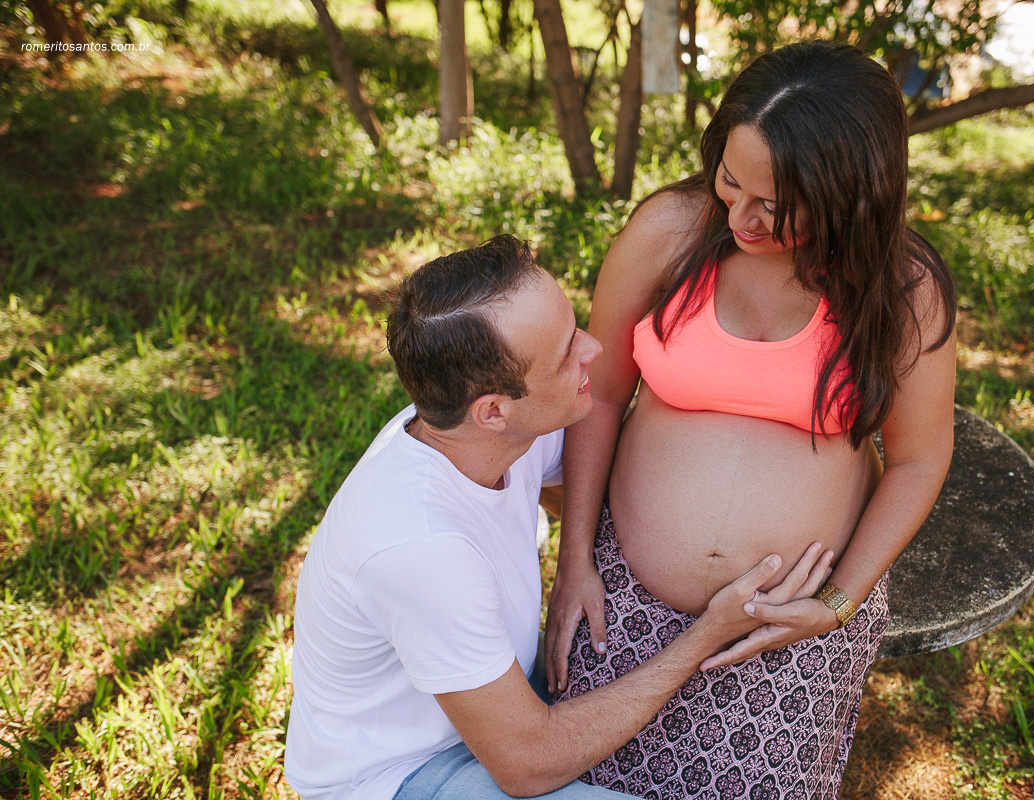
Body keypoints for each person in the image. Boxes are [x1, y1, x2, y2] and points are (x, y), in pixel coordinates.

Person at [545, 41, 958, 798]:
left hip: (786, 629)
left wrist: (836, 605)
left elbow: (918, 460)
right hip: (624, 597)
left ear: (855, 192)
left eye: (776, 204)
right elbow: (596, 395)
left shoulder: (901, 288)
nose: (742, 217)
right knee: (582, 780)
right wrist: (576, 560)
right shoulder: (670, 232)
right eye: (731, 181)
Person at [283, 235, 835, 800]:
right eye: (565, 353)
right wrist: (705, 636)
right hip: (404, 773)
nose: (594, 348)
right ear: (493, 410)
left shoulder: (482, 435)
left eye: (575, 330)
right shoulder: (422, 549)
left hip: (494, 699)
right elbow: (528, 766)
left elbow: (571, 485)